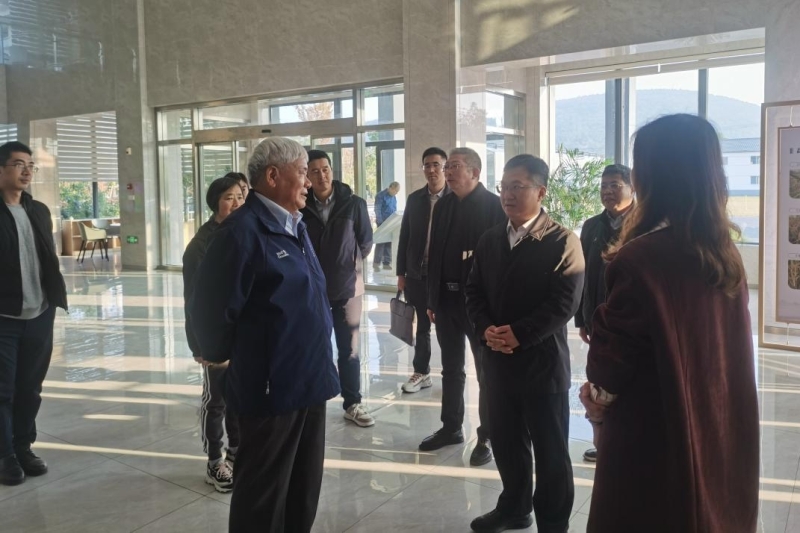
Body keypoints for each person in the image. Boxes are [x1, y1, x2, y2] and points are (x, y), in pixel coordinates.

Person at [580, 114, 759, 532]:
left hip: (655, 431)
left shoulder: (640, 257)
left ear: (650, 175)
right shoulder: (723, 251)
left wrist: (596, 402)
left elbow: (610, 365)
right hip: (715, 421)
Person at [190, 137, 340, 533]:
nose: (309, 181)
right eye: (302, 172)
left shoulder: (295, 223)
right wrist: (240, 360)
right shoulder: (240, 232)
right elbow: (210, 312)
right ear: (273, 176)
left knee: (303, 487)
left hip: (310, 376)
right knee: (263, 495)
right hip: (272, 386)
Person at [465, 154, 583, 533]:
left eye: (518, 186)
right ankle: (515, 508)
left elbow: (564, 303)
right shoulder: (490, 240)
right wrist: (486, 329)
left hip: (541, 365)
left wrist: (520, 333)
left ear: (541, 191)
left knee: (551, 453)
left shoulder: (562, 241)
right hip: (498, 362)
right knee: (506, 442)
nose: (508, 194)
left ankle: (553, 523)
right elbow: (473, 292)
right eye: (504, 186)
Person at [420, 147, 505, 467]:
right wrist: (432, 299)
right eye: (448, 167)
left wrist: (493, 308)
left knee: (486, 372)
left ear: (475, 172)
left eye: (454, 166)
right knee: (451, 368)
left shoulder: (494, 207)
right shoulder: (443, 205)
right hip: (446, 301)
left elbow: (499, 263)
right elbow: (434, 254)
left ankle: (488, 435)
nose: (447, 172)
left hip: (479, 306)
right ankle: (451, 427)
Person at [0, 141, 68, 486]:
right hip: (4, 319)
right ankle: (4, 455)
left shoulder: (38, 210)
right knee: (3, 391)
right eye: (18, 164)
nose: (27, 171)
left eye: (30, 165)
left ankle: (23, 446)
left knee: (30, 388)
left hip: (40, 313)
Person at [301, 150, 375, 427]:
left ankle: (352, 402)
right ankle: (312, 400)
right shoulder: (300, 205)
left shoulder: (353, 204)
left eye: (326, 169)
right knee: (314, 346)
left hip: (347, 289)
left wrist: (347, 264)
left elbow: (365, 243)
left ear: (332, 171)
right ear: (307, 176)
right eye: (315, 171)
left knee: (349, 349)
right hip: (312, 290)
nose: (322, 175)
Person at [182, 173, 243, 492]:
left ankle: (236, 454)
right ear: (215, 204)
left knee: (238, 397)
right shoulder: (199, 246)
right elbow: (192, 300)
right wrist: (198, 344)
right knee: (216, 400)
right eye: (228, 198)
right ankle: (214, 461)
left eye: (240, 197)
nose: (236, 203)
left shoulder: (244, 233)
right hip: (215, 336)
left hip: (242, 334)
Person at [574, 164, 633, 463]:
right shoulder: (591, 226)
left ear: (632, 188)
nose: (608, 191)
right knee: (600, 381)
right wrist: (581, 319)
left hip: (629, 323)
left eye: (615, 185)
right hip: (597, 319)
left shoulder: (642, 224)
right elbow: (582, 274)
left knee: (626, 383)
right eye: (604, 186)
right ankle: (603, 440)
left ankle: (626, 441)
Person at [397, 147, 450, 393]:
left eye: (436, 164)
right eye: (427, 165)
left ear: (445, 167)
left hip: (444, 277)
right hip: (417, 274)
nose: (431, 169)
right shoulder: (414, 199)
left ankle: (452, 373)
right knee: (422, 327)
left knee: (447, 327)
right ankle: (421, 372)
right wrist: (401, 274)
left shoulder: (454, 200)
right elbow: (404, 237)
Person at [373, 181, 400, 270]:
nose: (396, 193)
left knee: (389, 242)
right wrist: (380, 222)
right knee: (381, 242)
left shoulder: (394, 197)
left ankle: (386, 263)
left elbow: (394, 209)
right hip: (382, 222)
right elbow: (377, 209)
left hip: (391, 222)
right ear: (391, 187)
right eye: (395, 191)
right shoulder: (380, 196)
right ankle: (376, 263)